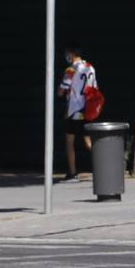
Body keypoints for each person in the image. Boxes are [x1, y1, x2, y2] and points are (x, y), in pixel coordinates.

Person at [57, 44, 97, 181]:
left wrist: (60, 91)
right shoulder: (90, 67)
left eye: (67, 53)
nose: (66, 56)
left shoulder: (71, 70)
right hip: (87, 110)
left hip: (74, 110)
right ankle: (104, 166)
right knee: (88, 142)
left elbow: (61, 91)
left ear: (72, 53)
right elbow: (94, 87)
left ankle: (72, 173)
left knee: (69, 141)